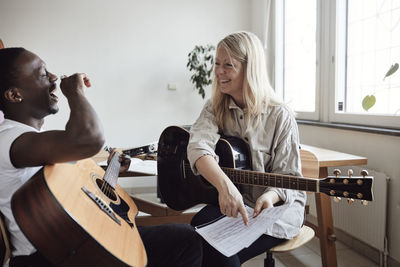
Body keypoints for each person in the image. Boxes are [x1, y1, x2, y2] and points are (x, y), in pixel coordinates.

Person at [0, 48, 202, 267]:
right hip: (52, 254)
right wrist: (75, 93)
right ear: (14, 95)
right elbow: (89, 139)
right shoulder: (10, 139)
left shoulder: (33, 142)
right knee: (184, 239)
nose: (54, 77)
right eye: (41, 74)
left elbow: (71, 200)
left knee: (174, 237)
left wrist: (111, 174)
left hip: (74, 241)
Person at [187, 31, 307, 266]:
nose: (219, 71)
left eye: (228, 65)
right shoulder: (214, 107)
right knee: (195, 233)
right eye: (217, 64)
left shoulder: (280, 116)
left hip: (275, 212)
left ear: (249, 69)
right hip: (235, 205)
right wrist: (226, 188)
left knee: (218, 251)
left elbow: (289, 178)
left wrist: (270, 196)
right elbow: (198, 147)